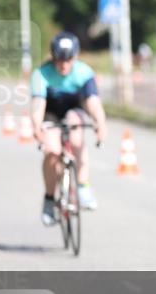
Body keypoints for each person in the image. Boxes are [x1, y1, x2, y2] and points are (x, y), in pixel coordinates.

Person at [31, 32, 108, 226]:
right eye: (59, 60)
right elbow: (38, 105)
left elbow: (93, 103)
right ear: (53, 58)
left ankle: (83, 185)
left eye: (68, 60)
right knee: (53, 152)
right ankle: (49, 199)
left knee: (76, 135)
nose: (64, 65)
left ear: (75, 57)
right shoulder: (41, 74)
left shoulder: (84, 73)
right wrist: (36, 126)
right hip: (51, 113)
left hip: (75, 109)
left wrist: (100, 124)